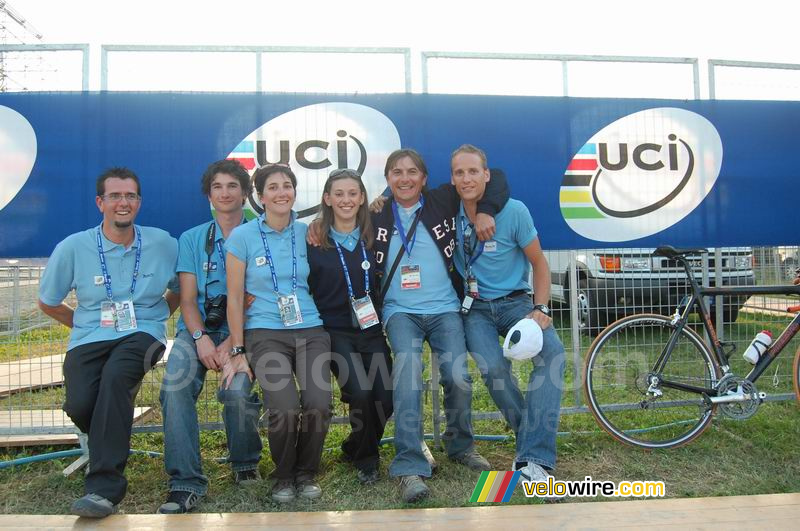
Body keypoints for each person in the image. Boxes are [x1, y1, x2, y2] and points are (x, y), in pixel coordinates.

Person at [38, 167, 179, 518]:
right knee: (80, 403)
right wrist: (81, 324)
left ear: (139, 202)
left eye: (130, 196)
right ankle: (107, 443)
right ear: (100, 202)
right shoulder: (73, 246)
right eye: (115, 196)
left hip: (143, 331)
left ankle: (103, 489)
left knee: (116, 378)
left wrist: (160, 315)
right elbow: (48, 301)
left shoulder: (163, 242)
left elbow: (180, 287)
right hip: (89, 335)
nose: (123, 202)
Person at [371, 149, 508, 503]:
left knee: (458, 375)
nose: (405, 178)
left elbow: (500, 179)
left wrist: (487, 212)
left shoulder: (442, 199)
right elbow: (333, 219)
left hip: (446, 308)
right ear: (387, 179)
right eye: (396, 172)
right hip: (400, 311)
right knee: (408, 372)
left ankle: (460, 445)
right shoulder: (374, 213)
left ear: (425, 178)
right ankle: (409, 466)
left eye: (412, 172)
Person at [449, 144, 566, 485]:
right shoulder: (445, 209)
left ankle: (535, 458)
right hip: (475, 308)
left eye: (474, 171)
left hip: (517, 302)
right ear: (452, 178)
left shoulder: (514, 211)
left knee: (553, 354)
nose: (467, 178)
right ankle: (531, 442)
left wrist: (541, 308)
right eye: (459, 172)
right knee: (494, 368)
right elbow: (402, 191)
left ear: (488, 175)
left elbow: (539, 263)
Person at [157, 160, 262, 514]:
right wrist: (200, 337)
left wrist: (232, 340)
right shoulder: (192, 238)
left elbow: (262, 293)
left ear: (245, 193)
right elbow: (186, 299)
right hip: (198, 328)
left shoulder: (261, 232)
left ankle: (245, 463)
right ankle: (185, 482)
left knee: (236, 390)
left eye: (233, 185)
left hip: (246, 329)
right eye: (217, 186)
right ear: (209, 194)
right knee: (174, 386)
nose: (225, 193)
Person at [224, 164, 332, 504]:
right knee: (283, 407)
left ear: (295, 193)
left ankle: (307, 472)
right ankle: (284, 475)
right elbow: (236, 298)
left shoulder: (309, 232)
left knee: (318, 401)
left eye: (287, 186)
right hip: (265, 332)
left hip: (310, 328)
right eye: (273, 187)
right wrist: (238, 349)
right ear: (259, 196)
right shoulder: (242, 237)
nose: (281, 192)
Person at [307, 169, 393, 485]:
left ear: (361, 198)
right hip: (334, 331)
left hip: (371, 329)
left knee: (386, 396)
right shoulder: (313, 239)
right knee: (360, 390)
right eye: (339, 193)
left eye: (353, 193)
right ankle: (367, 461)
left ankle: (354, 445)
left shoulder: (375, 234)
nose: (346, 199)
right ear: (327, 199)